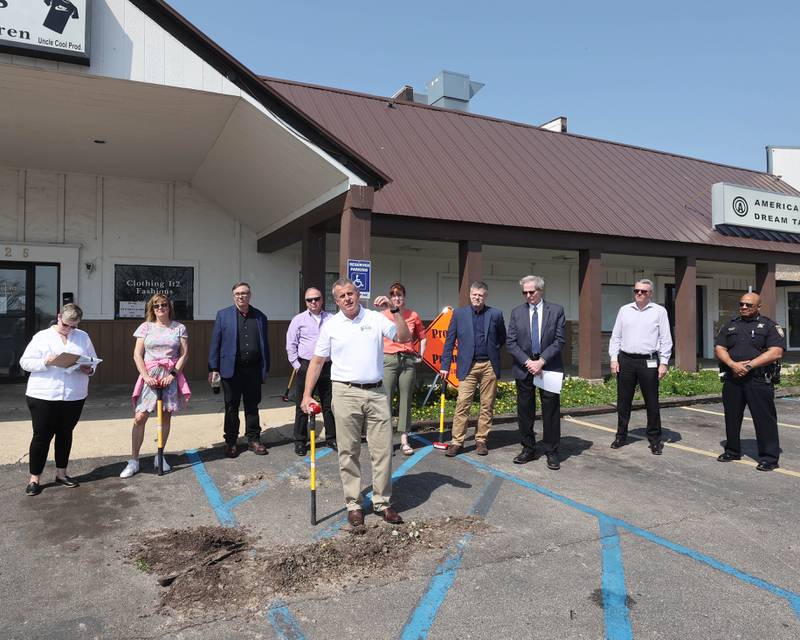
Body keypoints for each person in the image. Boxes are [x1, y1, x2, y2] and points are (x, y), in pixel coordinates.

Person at [301, 278, 411, 526]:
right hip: (344, 392)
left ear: (358, 294)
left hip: (376, 392)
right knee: (348, 451)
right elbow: (317, 362)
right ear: (336, 300)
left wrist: (395, 311)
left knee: (383, 451)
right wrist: (307, 394)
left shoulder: (376, 318)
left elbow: (404, 337)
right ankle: (354, 504)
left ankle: (383, 502)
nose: (348, 299)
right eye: (342, 296)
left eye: (351, 293)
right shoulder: (331, 326)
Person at [19, 303, 97, 496]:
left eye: (74, 326)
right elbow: (25, 362)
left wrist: (90, 368)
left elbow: (92, 361)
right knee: (41, 436)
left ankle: (61, 474)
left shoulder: (83, 337)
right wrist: (46, 361)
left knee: (65, 433)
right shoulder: (42, 337)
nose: (70, 330)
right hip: (43, 394)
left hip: (74, 395)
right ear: (59, 317)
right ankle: (34, 479)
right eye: (66, 325)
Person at [120, 294, 190, 478]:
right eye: (156, 305)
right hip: (149, 375)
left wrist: (173, 375)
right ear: (152, 308)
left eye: (164, 305)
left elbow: (184, 354)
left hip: (170, 375)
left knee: (165, 416)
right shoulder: (145, 327)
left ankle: (160, 456)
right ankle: (134, 460)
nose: (160, 308)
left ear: (169, 307)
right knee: (140, 417)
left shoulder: (179, 328)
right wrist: (145, 376)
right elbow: (137, 354)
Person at [715, 291, 785, 471]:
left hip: (758, 379)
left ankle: (769, 458)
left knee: (764, 419)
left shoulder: (769, 326)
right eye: (741, 304)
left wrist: (748, 366)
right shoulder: (730, 325)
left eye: (748, 305)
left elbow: (776, 352)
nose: (744, 307)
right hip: (733, 378)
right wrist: (732, 364)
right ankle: (732, 450)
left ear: (758, 307)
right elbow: (720, 347)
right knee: (731, 416)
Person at [440, 281, 506, 457]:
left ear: (485, 296)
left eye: (481, 295)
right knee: (463, 404)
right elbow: (449, 342)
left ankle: (481, 440)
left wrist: (491, 351)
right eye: (474, 294)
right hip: (467, 366)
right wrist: (445, 366)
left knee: (487, 405)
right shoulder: (459, 314)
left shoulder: (496, 314)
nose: (477, 297)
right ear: (470, 295)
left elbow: (502, 338)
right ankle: (457, 442)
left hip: (488, 366)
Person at [506, 275, 566, 470]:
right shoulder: (516, 312)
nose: (529, 295)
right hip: (525, 369)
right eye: (525, 292)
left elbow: (559, 340)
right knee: (525, 412)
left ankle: (552, 451)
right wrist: (528, 362)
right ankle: (528, 448)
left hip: (548, 368)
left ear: (541, 290)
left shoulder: (556, 311)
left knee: (550, 412)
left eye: (532, 292)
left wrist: (541, 361)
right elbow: (511, 342)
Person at [608, 279, 673, 454]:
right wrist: (614, 359)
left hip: (649, 361)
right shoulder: (624, 310)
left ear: (650, 293)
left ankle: (654, 439)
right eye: (636, 290)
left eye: (643, 291)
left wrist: (664, 362)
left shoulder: (659, 311)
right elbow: (616, 337)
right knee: (623, 400)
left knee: (652, 401)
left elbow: (666, 339)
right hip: (626, 360)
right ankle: (621, 435)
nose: (639, 294)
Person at [209, 282, 271, 458]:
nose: (241, 296)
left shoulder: (260, 316)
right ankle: (231, 441)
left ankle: (253, 439)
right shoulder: (223, 315)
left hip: (253, 370)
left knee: (252, 406)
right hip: (231, 370)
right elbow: (216, 343)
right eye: (237, 293)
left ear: (250, 295)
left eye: (244, 293)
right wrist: (213, 367)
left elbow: (265, 345)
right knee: (231, 407)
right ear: (233, 296)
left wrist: (266, 367)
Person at [286, 287, 335, 456]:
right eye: (309, 300)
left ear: (322, 300)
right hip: (306, 365)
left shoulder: (332, 319)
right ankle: (300, 441)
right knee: (303, 405)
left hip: (327, 366)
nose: (313, 302)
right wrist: (297, 365)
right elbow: (291, 344)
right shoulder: (298, 320)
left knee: (329, 405)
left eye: (316, 298)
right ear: (305, 302)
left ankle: (331, 438)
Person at [383, 282, 426, 456]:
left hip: (407, 360)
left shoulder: (412, 315)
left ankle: (404, 440)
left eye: (399, 295)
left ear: (404, 297)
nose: (396, 298)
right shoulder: (383, 315)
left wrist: (421, 355)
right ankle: (386, 441)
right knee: (385, 400)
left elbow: (422, 337)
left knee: (405, 400)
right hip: (388, 360)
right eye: (393, 295)